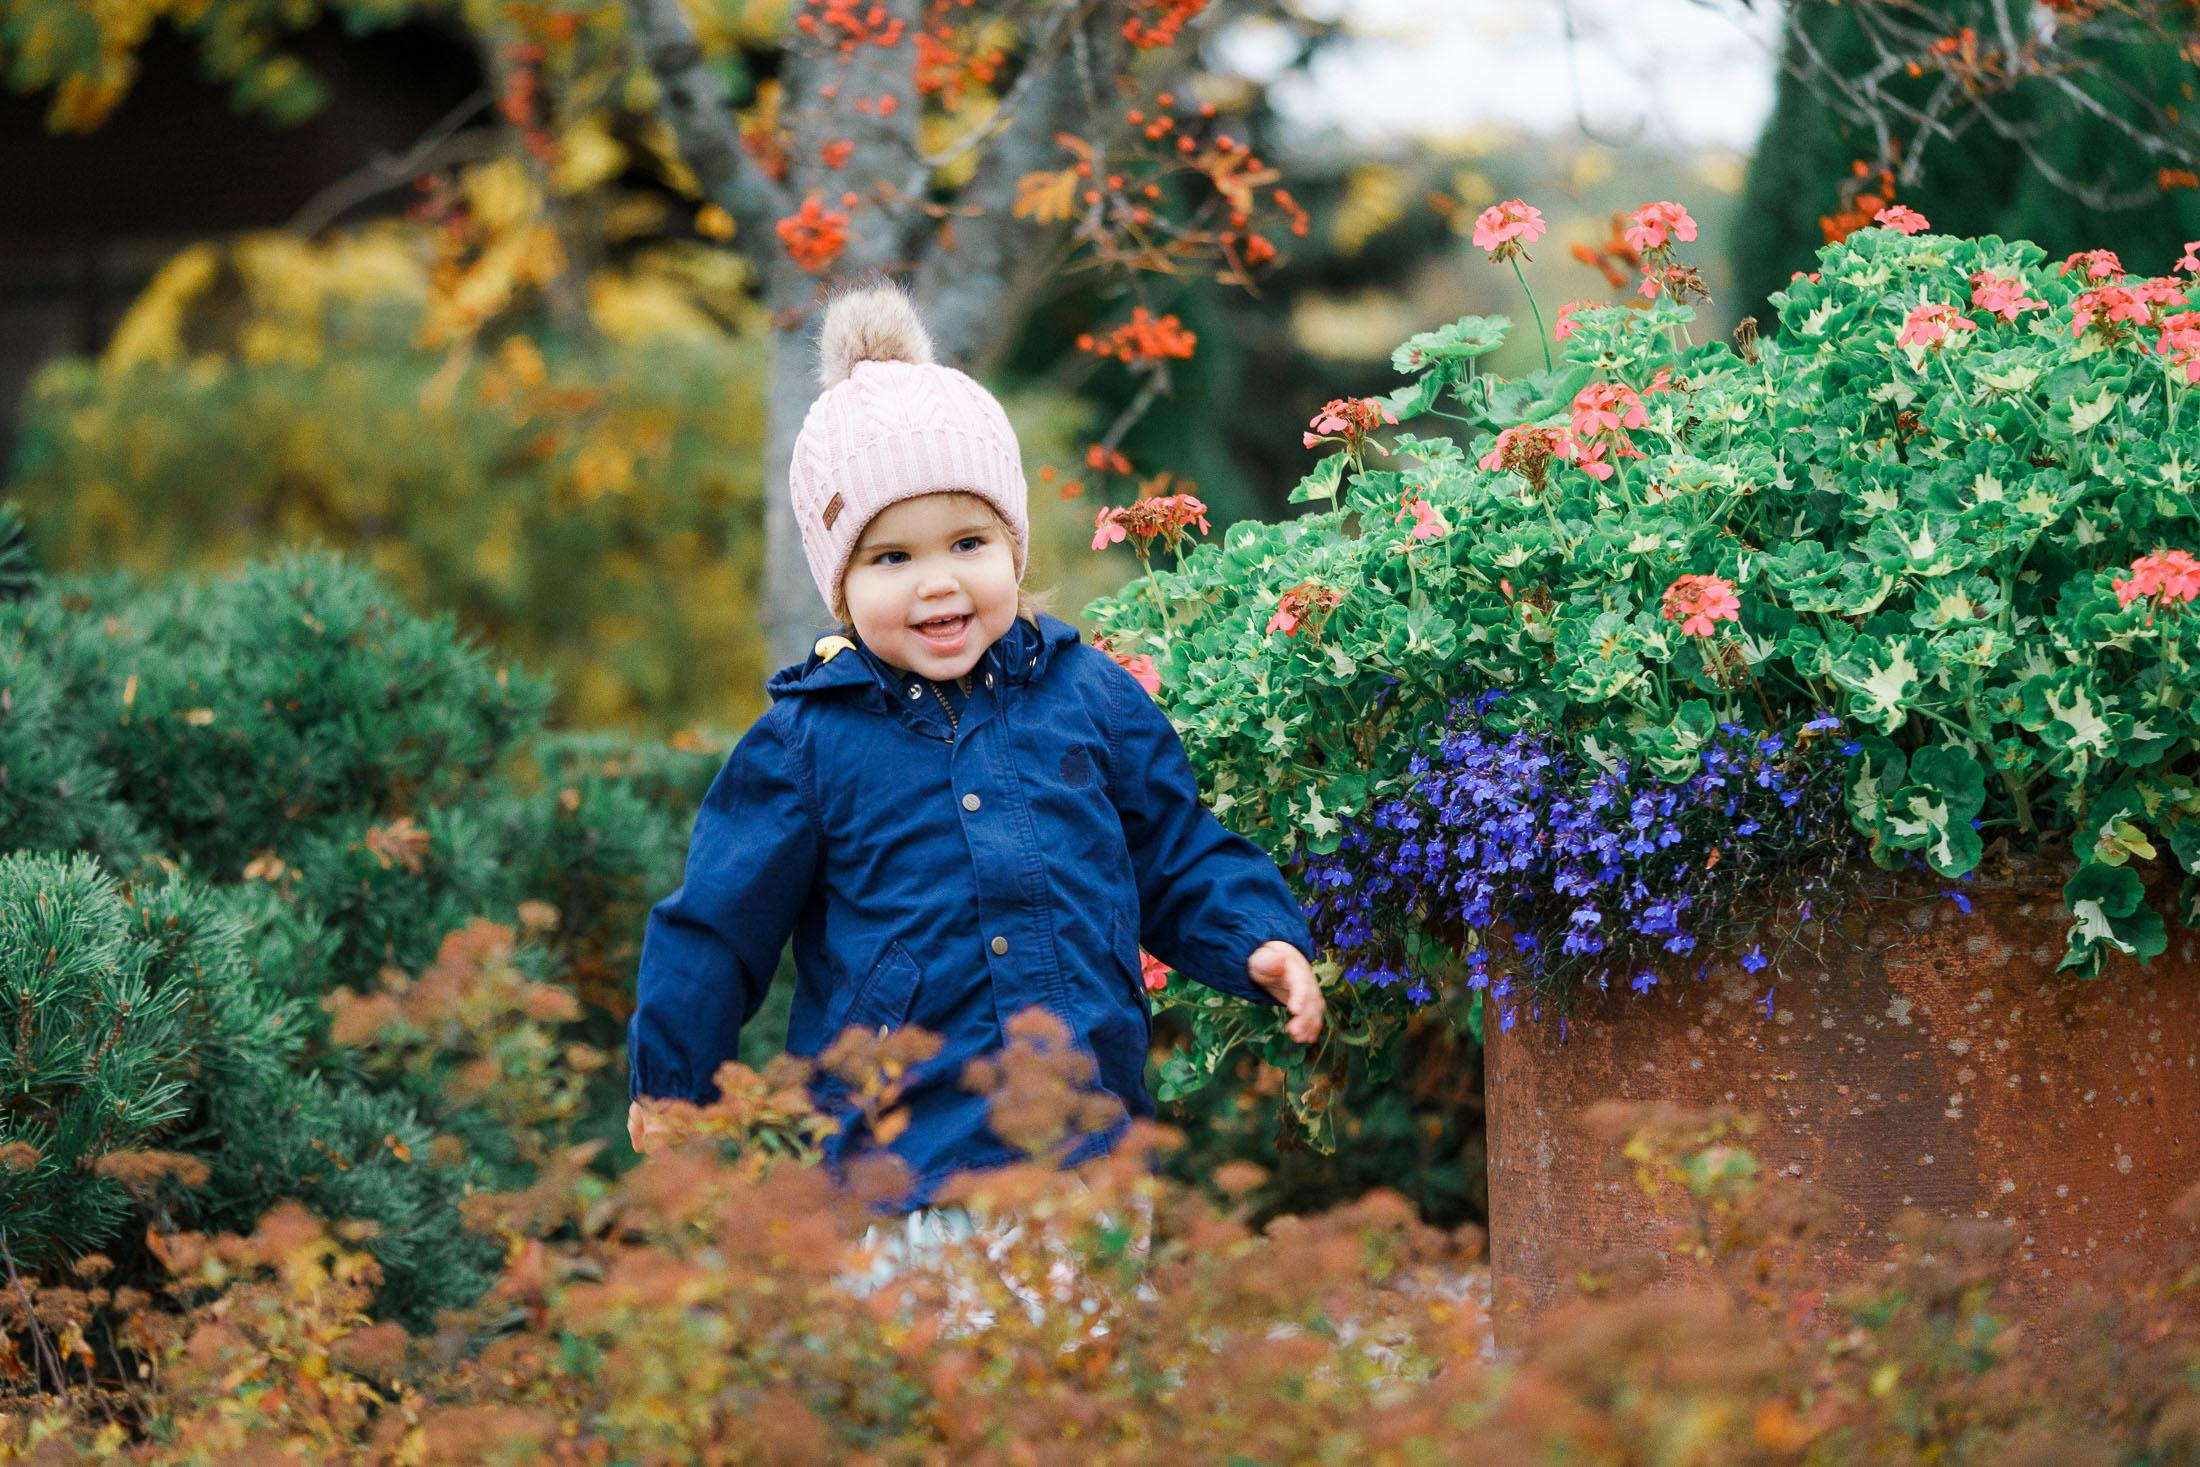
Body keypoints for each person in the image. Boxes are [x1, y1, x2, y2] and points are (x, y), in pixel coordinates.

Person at [624, 276, 1325, 1239]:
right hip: (905, 1166)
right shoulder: (806, 744)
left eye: (967, 541)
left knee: (1087, 1335)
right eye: (892, 557)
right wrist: (674, 1082)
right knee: (940, 1341)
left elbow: (1174, 850)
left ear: (1012, 545)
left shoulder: (1086, 696)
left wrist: (1256, 937)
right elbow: (714, 927)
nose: (938, 582)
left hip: (1089, 1147)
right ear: (840, 582)